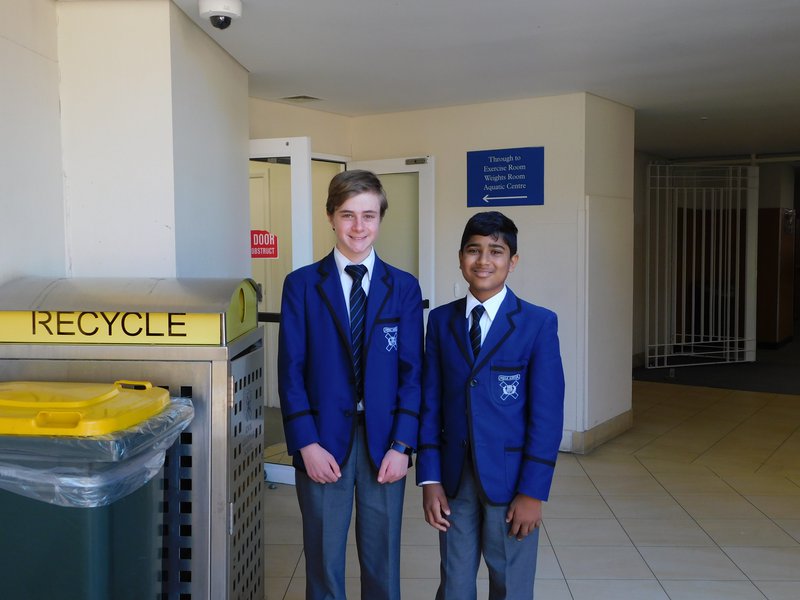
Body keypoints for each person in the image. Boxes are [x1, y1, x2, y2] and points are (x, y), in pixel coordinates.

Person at [278, 169, 423, 600]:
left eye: (368, 215)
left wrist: (402, 446)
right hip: (323, 443)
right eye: (347, 215)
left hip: (384, 446)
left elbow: (413, 373)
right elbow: (291, 369)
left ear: (380, 218)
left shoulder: (404, 288)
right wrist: (306, 444)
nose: (358, 227)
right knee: (323, 562)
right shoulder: (302, 285)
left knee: (383, 561)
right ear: (330, 217)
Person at [417, 211, 565, 600]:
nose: (484, 261)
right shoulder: (441, 321)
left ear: (512, 261)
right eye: (474, 250)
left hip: (512, 481)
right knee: (454, 581)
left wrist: (533, 492)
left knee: (511, 583)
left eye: (496, 251)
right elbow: (430, 403)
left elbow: (547, 416)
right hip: (454, 480)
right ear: (460, 257)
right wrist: (429, 477)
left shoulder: (537, 323)